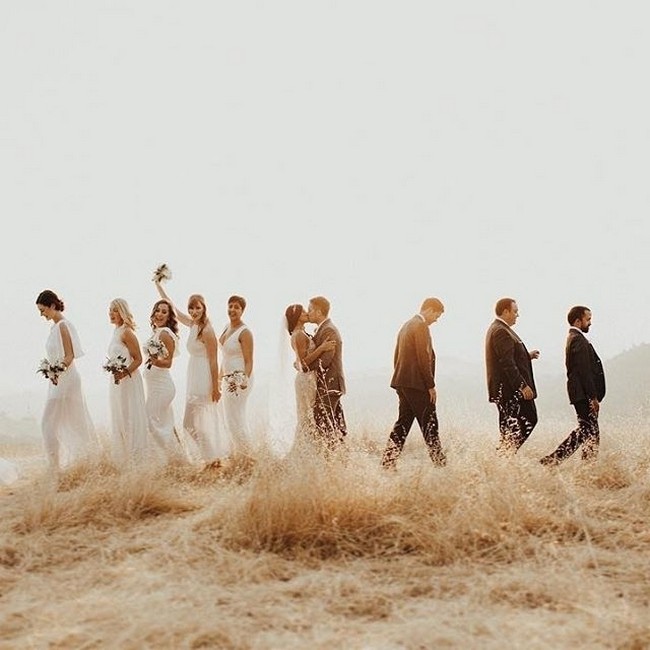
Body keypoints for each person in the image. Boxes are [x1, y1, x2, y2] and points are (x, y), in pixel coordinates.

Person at [155, 280, 227, 467]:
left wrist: (216, 387)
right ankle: (211, 458)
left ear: (204, 308)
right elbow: (172, 306)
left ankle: (213, 459)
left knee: (192, 423)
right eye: (191, 308)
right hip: (194, 375)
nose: (194, 312)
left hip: (204, 378)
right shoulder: (193, 324)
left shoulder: (207, 331)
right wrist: (158, 285)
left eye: (197, 308)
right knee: (191, 424)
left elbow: (213, 360)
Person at [35, 289, 99, 471]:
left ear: (53, 306)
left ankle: (55, 467)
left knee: (49, 423)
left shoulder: (64, 325)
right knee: (63, 423)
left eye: (43, 310)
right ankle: (63, 465)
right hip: (57, 380)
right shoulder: (54, 327)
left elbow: (69, 356)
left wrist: (56, 371)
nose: (42, 314)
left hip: (66, 379)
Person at [381, 298, 447, 469]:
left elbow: (397, 356)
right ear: (430, 309)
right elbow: (423, 358)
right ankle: (440, 464)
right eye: (437, 316)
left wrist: (399, 381)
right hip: (417, 384)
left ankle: (387, 462)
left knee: (403, 424)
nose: (436, 320)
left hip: (403, 382)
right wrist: (430, 385)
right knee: (430, 423)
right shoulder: (420, 326)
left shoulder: (406, 325)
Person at [540, 306, 606, 466]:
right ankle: (555, 460)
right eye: (587, 319)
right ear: (578, 320)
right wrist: (593, 397)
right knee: (589, 431)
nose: (590, 323)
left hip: (581, 393)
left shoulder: (575, 337)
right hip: (583, 394)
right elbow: (584, 371)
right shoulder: (577, 339)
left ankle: (578, 465)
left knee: (588, 432)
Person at [485, 297, 540, 456]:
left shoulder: (500, 328)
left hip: (508, 389)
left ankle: (504, 455)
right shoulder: (501, 331)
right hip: (510, 390)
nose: (517, 315)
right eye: (515, 311)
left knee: (510, 426)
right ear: (505, 311)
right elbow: (507, 363)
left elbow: (508, 356)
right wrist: (522, 386)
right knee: (528, 419)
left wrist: (527, 356)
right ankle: (504, 454)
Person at [284, 304, 336, 453]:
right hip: (305, 379)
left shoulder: (302, 333)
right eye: (303, 312)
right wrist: (321, 348)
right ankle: (302, 453)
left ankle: (308, 451)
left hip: (308, 378)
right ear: (297, 317)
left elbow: (300, 361)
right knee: (306, 417)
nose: (307, 313)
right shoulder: (299, 335)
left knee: (308, 416)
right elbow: (303, 364)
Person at [106, 298, 150, 466]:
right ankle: (124, 460)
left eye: (115, 310)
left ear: (122, 312)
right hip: (116, 382)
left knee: (130, 416)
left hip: (129, 381)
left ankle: (136, 460)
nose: (111, 313)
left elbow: (138, 359)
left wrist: (123, 373)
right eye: (110, 310)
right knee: (120, 416)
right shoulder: (115, 332)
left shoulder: (126, 332)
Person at [306, 296, 347, 451]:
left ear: (318, 311)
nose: (308, 313)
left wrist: (305, 365)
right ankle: (339, 457)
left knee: (323, 420)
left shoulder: (328, 329)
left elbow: (326, 360)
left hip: (330, 383)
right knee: (335, 423)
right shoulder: (323, 328)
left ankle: (331, 457)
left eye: (310, 310)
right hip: (329, 383)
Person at [143, 299, 181, 461]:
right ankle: (176, 459)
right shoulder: (156, 333)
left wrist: (154, 360)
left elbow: (168, 362)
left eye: (164, 312)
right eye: (157, 310)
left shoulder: (165, 333)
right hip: (154, 387)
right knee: (165, 425)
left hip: (162, 387)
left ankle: (168, 458)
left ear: (169, 317)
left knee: (149, 420)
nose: (159, 314)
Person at [219, 295, 254, 458]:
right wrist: (219, 378)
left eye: (236, 307)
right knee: (229, 418)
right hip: (226, 377)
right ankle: (237, 454)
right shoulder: (226, 327)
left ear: (242, 311)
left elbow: (248, 360)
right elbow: (224, 356)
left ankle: (246, 456)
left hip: (239, 379)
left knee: (235, 418)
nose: (232, 310)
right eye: (230, 306)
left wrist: (244, 379)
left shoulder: (245, 332)